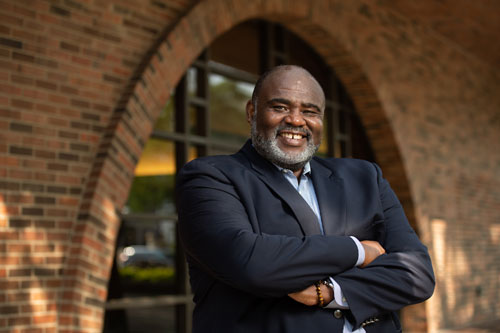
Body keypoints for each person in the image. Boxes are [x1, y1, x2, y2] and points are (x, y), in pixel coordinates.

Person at [176, 65, 435, 332]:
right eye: (280, 107)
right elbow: (250, 261)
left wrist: (331, 292)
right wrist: (359, 251)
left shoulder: (366, 177)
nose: (297, 121)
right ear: (252, 112)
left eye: (310, 111)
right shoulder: (209, 178)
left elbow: (417, 273)